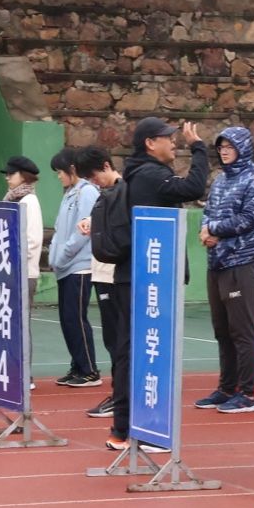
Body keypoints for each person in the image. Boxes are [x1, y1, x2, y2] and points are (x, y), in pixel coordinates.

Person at [106, 117, 209, 452]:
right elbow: (194, 188)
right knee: (149, 351)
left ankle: (123, 429)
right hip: (149, 279)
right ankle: (144, 428)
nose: (174, 142)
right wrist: (199, 148)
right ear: (150, 143)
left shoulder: (137, 173)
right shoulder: (150, 175)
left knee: (130, 350)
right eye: (168, 138)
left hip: (135, 276)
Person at [195, 127, 254, 414]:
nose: (224, 151)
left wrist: (214, 229)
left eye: (229, 146)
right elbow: (208, 212)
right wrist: (205, 231)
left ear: (243, 148)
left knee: (242, 330)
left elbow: (250, 218)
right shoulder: (220, 179)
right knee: (222, 330)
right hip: (216, 261)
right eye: (221, 147)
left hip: (242, 262)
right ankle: (227, 387)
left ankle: (248, 394)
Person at [76, 146, 123, 418]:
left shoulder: (124, 192)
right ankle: (120, 393)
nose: (94, 183)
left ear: (106, 165)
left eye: (95, 177)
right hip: (101, 273)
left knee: (118, 340)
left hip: (115, 276)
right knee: (111, 339)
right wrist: (89, 222)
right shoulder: (104, 194)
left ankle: (122, 395)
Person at [49, 148, 102, 388]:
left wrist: (62, 256)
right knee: (67, 320)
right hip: (65, 266)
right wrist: (56, 257)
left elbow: (82, 232)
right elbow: (60, 230)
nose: (59, 176)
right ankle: (77, 365)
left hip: (78, 267)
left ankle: (89, 370)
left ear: (72, 169)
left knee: (76, 319)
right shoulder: (71, 193)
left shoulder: (87, 192)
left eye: (60, 171)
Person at [2, 156, 43, 307]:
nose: (7, 177)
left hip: (24, 272)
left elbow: (32, 240)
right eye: (7, 174)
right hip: (8, 270)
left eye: (11, 174)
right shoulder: (10, 199)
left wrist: (12, 261)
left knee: (20, 317)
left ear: (24, 176)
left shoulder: (29, 201)